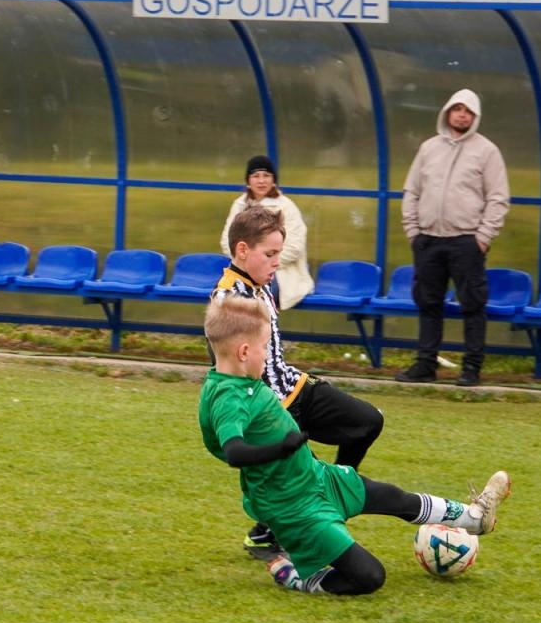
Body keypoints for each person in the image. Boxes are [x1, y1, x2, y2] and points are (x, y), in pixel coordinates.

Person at [199, 293, 513, 595]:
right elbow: (235, 452)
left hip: (317, 477)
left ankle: (475, 519)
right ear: (243, 352)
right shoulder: (228, 397)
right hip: (295, 509)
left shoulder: (242, 381)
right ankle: (296, 579)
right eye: (265, 348)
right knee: (370, 577)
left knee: (393, 497)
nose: (268, 355)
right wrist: (282, 448)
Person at [213, 206, 384, 558]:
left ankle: (331, 498)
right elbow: (228, 366)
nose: (277, 262)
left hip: (295, 388)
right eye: (270, 254)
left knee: (366, 422)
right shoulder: (228, 299)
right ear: (243, 251)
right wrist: (255, 411)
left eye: (279, 253)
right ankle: (271, 531)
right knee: (300, 479)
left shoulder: (261, 284)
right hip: (269, 408)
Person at [395, 89, 510, 387]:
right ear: (447, 111)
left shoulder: (487, 151)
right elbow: (412, 192)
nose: (461, 114)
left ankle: (471, 368)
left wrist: (482, 237)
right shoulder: (428, 148)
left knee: (472, 304)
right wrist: (413, 231)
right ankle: (425, 364)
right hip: (428, 240)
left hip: (466, 242)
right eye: (456, 109)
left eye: (467, 111)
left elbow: (498, 198)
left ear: (475, 116)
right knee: (428, 303)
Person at [217, 155, 313, 309]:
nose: (261, 181)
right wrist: (248, 265)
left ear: (273, 180)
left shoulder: (287, 207)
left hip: (280, 273)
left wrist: (262, 265)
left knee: (255, 302)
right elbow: (227, 241)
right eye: (256, 176)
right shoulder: (239, 205)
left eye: (266, 176)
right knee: (225, 296)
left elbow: (294, 247)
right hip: (243, 270)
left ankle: (263, 333)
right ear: (248, 181)